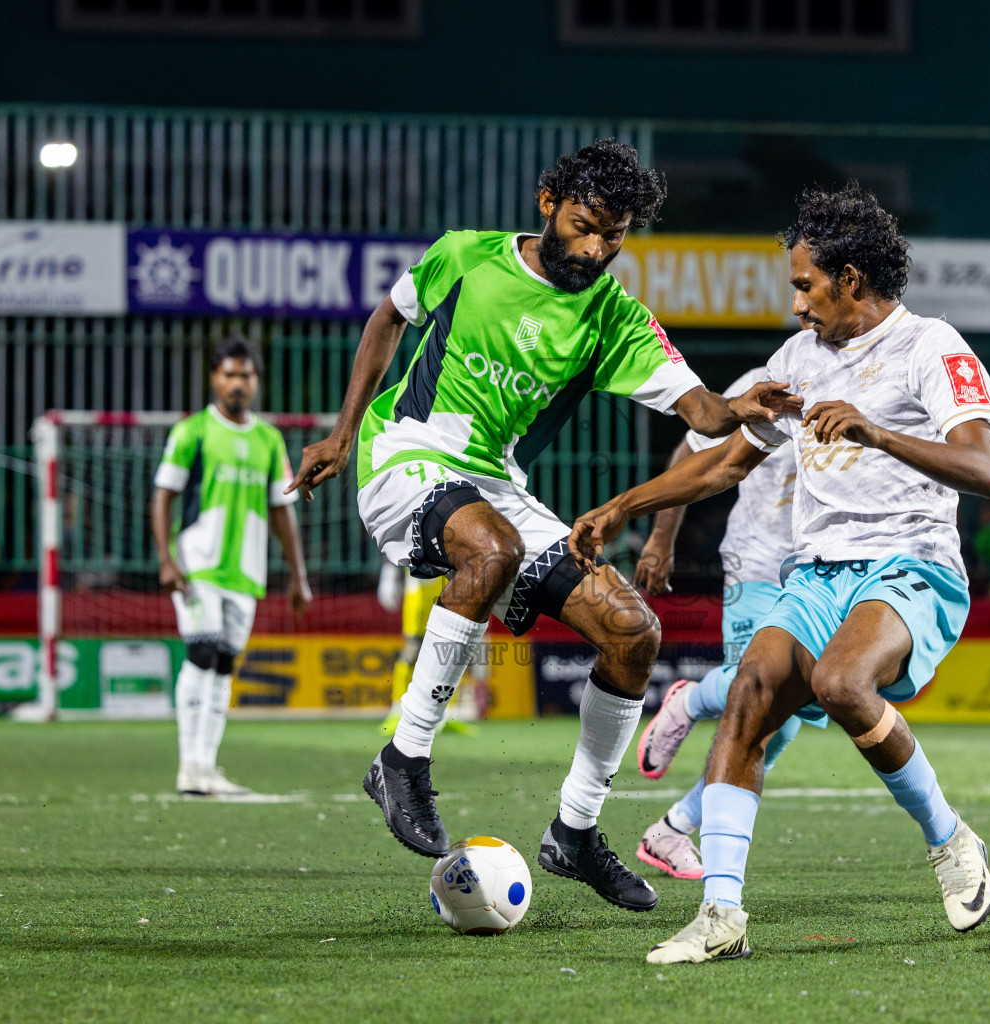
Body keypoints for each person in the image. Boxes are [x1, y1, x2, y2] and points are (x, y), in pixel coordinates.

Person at [287, 139, 797, 911]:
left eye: (614, 235)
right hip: (405, 454)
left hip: (495, 484)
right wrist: (344, 431)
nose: (595, 249)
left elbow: (700, 410)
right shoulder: (464, 256)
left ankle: (576, 832)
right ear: (547, 202)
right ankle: (402, 759)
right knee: (494, 548)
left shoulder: (612, 315)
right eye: (586, 225)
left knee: (634, 631)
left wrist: (743, 404)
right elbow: (388, 318)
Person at [568, 183, 990, 962]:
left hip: (912, 567)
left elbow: (984, 468)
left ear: (851, 280)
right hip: (817, 574)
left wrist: (877, 433)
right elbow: (723, 464)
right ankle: (721, 917)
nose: (797, 303)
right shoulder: (798, 361)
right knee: (750, 695)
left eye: (806, 285)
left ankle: (951, 841)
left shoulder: (931, 347)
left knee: (840, 684)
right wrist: (622, 507)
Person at [630, 367, 809, 882]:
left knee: (785, 723)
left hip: (821, 567)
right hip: (757, 563)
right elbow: (692, 452)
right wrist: (662, 539)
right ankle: (690, 701)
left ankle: (672, 827)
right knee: (760, 694)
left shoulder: (877, 375)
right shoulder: (776, 376)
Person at [151, 337, 312, 798]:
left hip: (246, 573)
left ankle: (205, 768)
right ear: (214, 378)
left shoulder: (268, 439)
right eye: (229, 374)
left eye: (246, 375)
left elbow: (281, 509)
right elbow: (164, 497)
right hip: (198, 565)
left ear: (256, 382)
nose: (238, 383)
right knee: (201, 653)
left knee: (223, 665)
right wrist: (166, 559)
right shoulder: (193, 432)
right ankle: (189, 766)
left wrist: (298, 576)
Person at [378, 561, 484, 737]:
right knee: (411, 656)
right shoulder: (417, 540)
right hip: (418, 608)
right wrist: (389, 575)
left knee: (452, 657)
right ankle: (397, 711)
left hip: (448, 604)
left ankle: (449, 715)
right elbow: (399, 552)